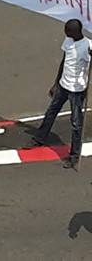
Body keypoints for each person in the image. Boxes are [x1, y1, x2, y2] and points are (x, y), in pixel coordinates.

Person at [31, 19, 91, 169]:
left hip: (77, 90)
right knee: (51, 111)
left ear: (75, 31)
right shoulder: (68, 41)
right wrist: (56, 82)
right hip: (64, 85)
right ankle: (40, 137)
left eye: (67, 30)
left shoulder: (88, 46)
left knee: (76, 123)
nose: (65, 32)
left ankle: (74, 155)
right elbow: (64, 61)